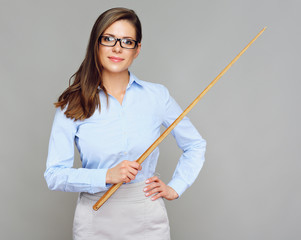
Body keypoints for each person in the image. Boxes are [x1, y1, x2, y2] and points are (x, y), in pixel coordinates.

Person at [44, 7, 206, 240]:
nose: (117, 48)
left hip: (148, 218)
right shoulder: (73, 103)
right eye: (109, 39)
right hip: (95, 219)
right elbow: (54, 175)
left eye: (127, 41)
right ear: (96, 43)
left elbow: (195, 145)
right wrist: (107, 176)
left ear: (137, 49)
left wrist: (176, 186)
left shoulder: (157, 96)